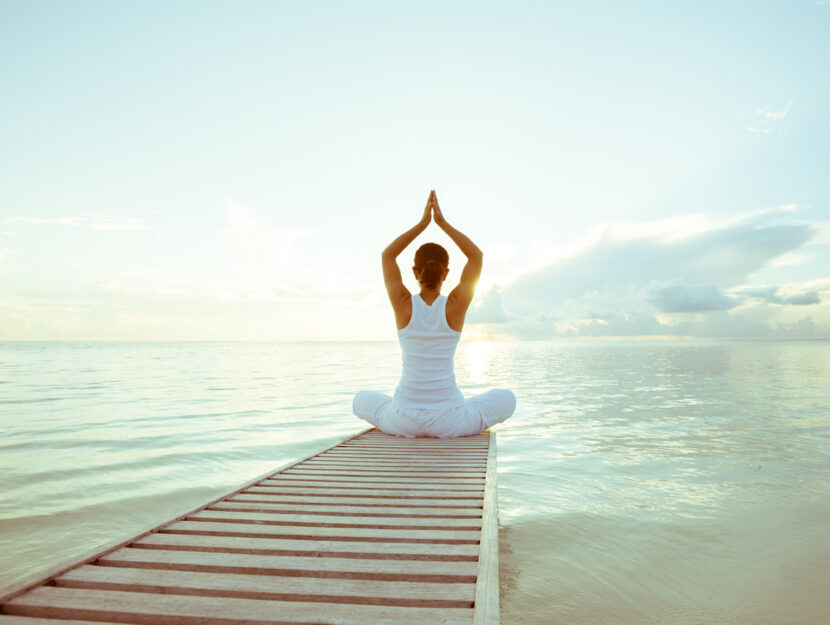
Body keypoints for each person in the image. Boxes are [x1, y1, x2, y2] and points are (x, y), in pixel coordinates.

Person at [352, 189, 516, 437]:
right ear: (446, 273)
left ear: (415, 272)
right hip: (450, 420)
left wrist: (422, 224)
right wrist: (441, 223)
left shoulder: (404, 303)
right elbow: (476, 256)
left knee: (360, 399)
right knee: (507, 398)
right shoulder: (454, 305)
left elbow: (388, 255)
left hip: (404, 418)